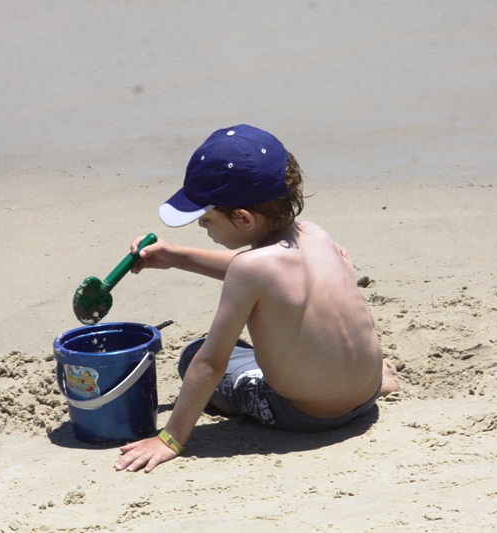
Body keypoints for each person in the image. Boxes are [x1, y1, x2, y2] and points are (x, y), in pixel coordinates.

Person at [114, 124, 398, 473]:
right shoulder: (315, 234)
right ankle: (378, 380)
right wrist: (178, 257)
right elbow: (271, 276)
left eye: (206, 219)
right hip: (367, 393)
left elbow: (210, 364)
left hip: (307, 414)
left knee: (192, 356)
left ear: (244, 218)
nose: (202, 227)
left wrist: (169, 438)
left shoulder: (249, 270)